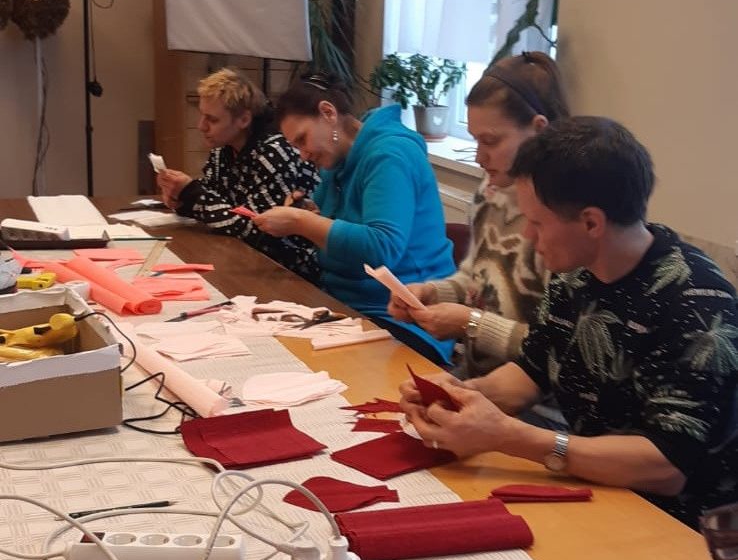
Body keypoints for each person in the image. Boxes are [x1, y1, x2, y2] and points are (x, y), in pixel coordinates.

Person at [399, 116, 738, 528]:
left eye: (537, 222)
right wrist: (456, 397)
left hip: (681, 527)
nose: (528, 235)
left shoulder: (697, 302)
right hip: (602, 490)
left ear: (592, 222)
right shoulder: (576, 273)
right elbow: (533, 370)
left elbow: (666, 467)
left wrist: (507, 436)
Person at [387, 52, 569, 385]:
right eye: (475, 140)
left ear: (538, 129)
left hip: (532, 403)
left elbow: (561, 352)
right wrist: (432, 293)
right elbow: (475, 279)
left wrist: (470, 323)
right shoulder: (490, 191)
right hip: (476, 383)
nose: (479, 156)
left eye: (491, 141)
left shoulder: (563, 220)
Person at [252, 74, 457, 365]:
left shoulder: (390, 155)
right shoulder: (336, 161)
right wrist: (310, 214)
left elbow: (382, 248)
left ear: (328, 113)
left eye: (302, 140)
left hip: (404, 319)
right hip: (347, 305)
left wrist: (301, 222)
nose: (302, 155)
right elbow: (339, 228)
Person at [156, 68, 320, 282]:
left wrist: (192, 194)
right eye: (201, 115)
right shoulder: (223, 148)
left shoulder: (274, 152)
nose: (201, 126)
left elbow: (259, 232)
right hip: (246, 258)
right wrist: (180, 197)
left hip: (290, 270)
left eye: (212, 119)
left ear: (243, 120)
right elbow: (215, 204)